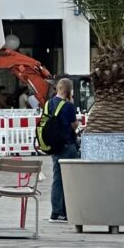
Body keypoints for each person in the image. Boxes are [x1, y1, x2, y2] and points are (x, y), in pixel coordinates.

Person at [47, 78, 80, 222]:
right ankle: (65, 211)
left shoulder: (49, 103)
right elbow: (74, 125)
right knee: (71, 179)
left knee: (57, 179)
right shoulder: (68, 106)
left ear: (58, 88)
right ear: (68, 91)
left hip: (54, 146)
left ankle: (56, 211)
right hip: (67, 145)